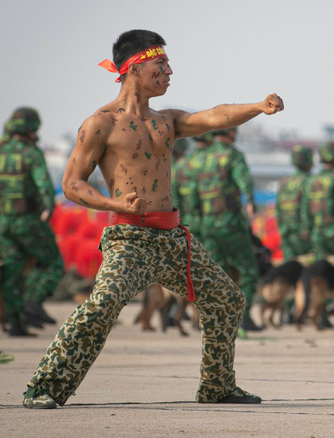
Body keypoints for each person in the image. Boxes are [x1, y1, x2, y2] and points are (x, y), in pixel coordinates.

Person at [22, 29, 283, 409]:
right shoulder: (101, 124)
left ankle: (217, 386)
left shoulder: (166, 121)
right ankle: (45, 386)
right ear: (134, 68)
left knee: (227, 299)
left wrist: (258, 106)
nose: (169, 72)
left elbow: (215, 116)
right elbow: (71, 185)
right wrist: (117, 206)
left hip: (174, 238)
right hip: (129, 239)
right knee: (103, 304)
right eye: (161, 65)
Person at [0, 107, 65, 336]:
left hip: (2, 223)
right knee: (53, 263)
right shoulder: (31, 154)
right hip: (27, 221)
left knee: (13, 271)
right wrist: (48, 206)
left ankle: (16, 324)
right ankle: (32, 303)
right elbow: (44, 185)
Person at [197, 127, 262, 333]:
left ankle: (215, 318)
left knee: (217, 272)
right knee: (248, 270)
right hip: (230, 222)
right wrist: (250, 201)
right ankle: (244, 317)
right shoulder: (233, 155)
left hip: (207, 224)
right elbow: (244, 180)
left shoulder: (201, 158)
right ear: (230, 133)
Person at [304, 141, 334, 263]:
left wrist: (308, 229)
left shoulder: (311, 180)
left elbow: (305, 209)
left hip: (317, 232)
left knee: (320, 269)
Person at [276, 145, 314, 262]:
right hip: (302, 233)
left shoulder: (284, 182)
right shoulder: (308, 181)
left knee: (289, 268)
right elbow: (306, 208)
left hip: (286, 232)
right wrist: (306, 229)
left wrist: (281, 229)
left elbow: (278, 209)